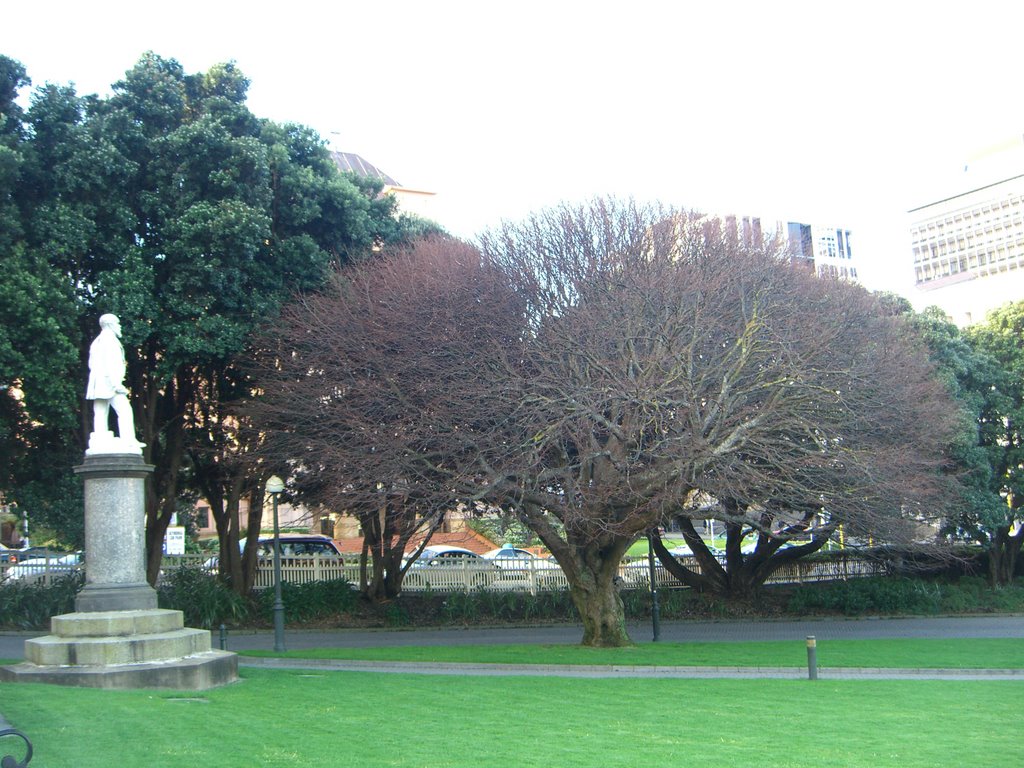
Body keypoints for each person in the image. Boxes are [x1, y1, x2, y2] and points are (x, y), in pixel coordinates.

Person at [85, 314, 142, 452]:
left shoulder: (97, 341)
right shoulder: (109, 341)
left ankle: (100, 439)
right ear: (110, 324)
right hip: (110, 383)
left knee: (100, 411)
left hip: (98, 382)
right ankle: (128, 440)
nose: (120, 326)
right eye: (118, 323)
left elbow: (91, 363)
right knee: (124, 410)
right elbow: (111, 363)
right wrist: (116, 384)